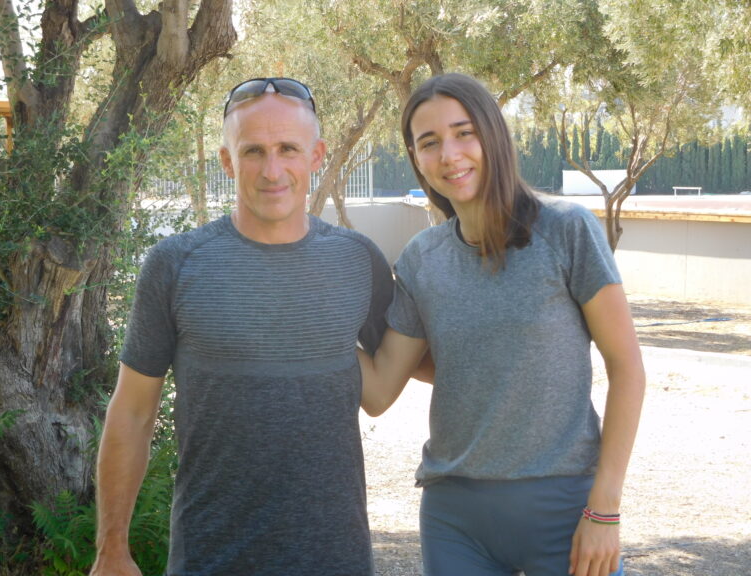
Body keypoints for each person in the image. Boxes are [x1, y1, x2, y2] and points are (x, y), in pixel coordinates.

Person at [90, 77, 394, 576]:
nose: (272, 170)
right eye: (253, 151)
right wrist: (111, 549)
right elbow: (132, 411)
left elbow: (407, 362)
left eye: (288, 149)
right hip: (208, 558)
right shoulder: (175, 264)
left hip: (335, 558)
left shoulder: (358, 260)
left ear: (316, 156)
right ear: (227, 161)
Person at [359, 73, 646, 576]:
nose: (450, 154)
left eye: (464, 133)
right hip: (455, 519)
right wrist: (314, 313)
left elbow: (627, 370)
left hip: (565, 509)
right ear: (416, 158)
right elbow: (379, 391)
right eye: (429, 142)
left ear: (493, 133)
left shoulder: (566, 230)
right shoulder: (422, 258)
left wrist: (604, 509)